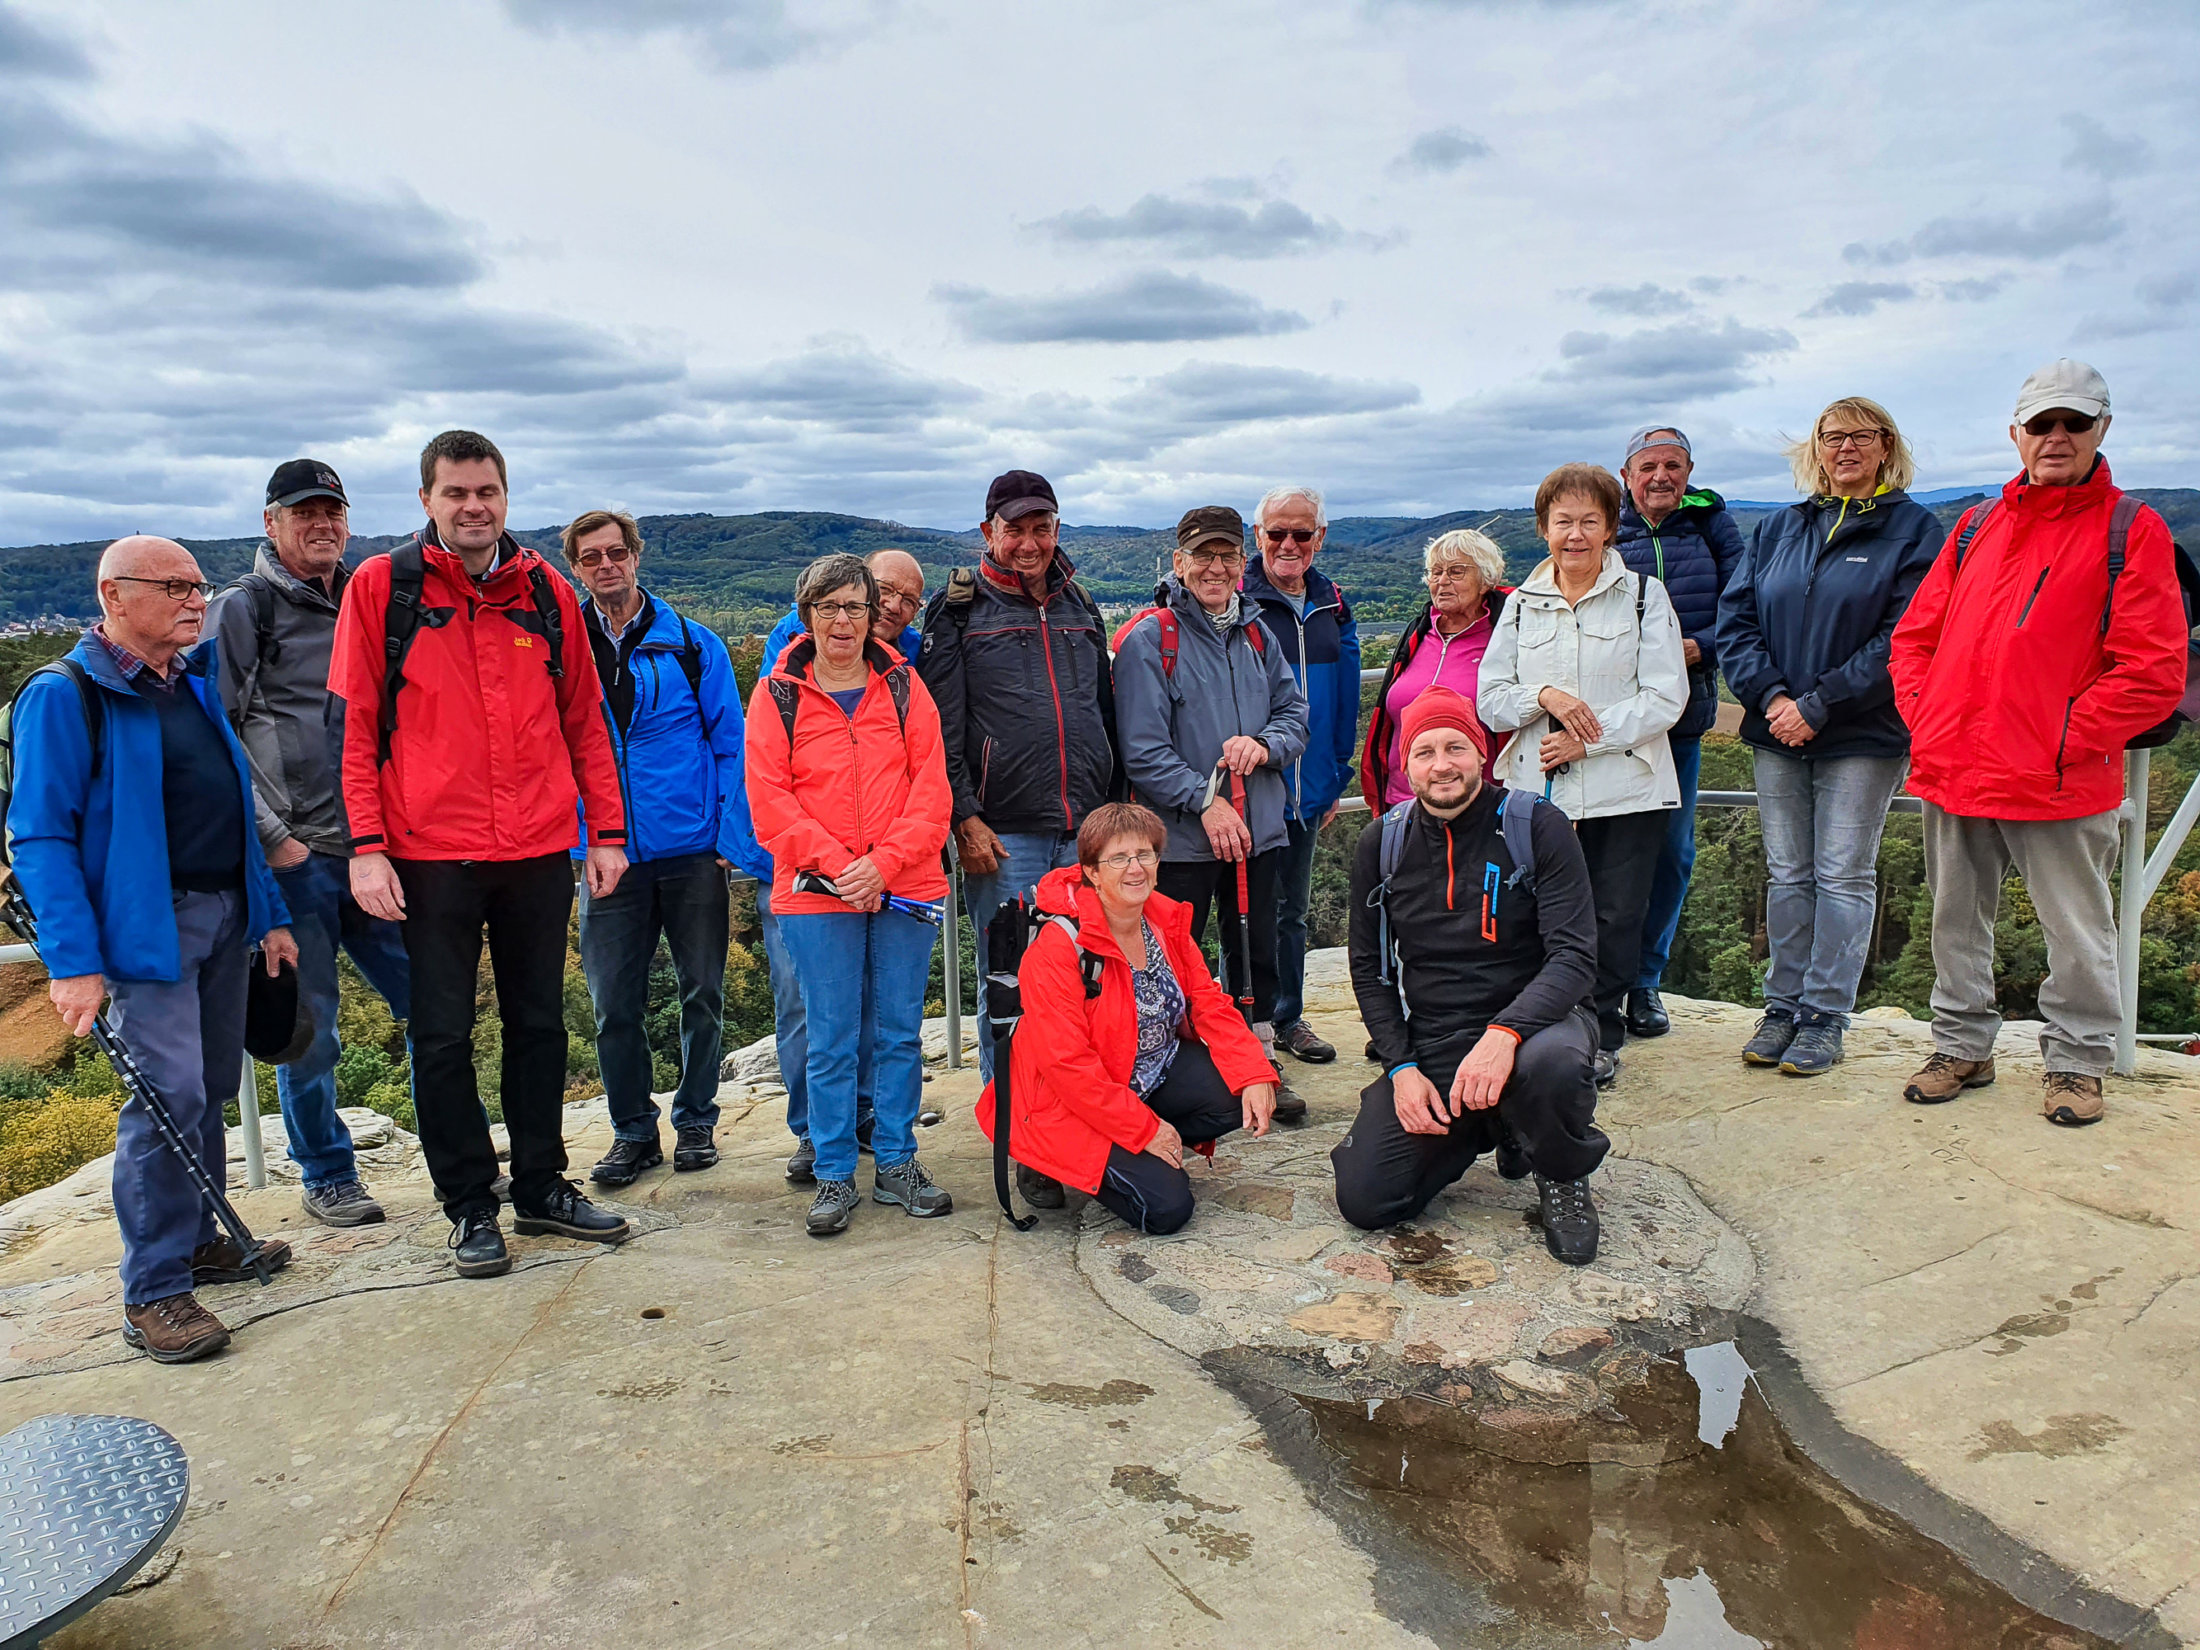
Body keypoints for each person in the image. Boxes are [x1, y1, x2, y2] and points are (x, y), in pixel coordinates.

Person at [330, 430, 632, 1280]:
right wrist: (365, 848)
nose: (473, 507)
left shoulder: (545, 591)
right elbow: (352, 728)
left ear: (506, 496)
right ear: (427, 500)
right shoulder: (382, 589)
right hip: (429, 852)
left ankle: (541, 1187)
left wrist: (604, 833)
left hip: (537, 844)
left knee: (540, 1024)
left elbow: (584, 722)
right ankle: (469, 1206)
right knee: (441, 1035)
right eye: (456, 493)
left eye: (487, 491)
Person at [12, 537, 299, 1362]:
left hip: (223, 916)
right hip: (147, 930)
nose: (193, 599)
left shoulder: (190, 686)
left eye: (197, 584)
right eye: (172, 586)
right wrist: (71, 961)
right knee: (167, 1096)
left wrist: (270, 914)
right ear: (113, 593)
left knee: (207, 1086)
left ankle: (198, 1240)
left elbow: (235, 813)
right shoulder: (67, 694)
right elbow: (39, 835)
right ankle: (155, 1293)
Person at [1890, 360, 2186, 1127]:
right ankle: (1962, 1046)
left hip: (2059, 776)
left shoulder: (2132, 529)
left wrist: (2060, 737)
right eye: (2042, 424)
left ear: (2101, 431)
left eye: (2074, 423)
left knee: (2077, 929)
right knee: (1954, 919)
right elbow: (1915, 639)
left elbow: (2153, 670)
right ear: (2016, 434)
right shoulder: (1976, 525)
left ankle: (2078, 1063)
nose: (2057, 437)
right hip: (1956, 763)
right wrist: (1931, 717)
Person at [1330, 689, 1606, 1263]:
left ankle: (1559, 1168)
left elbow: (1574, 956)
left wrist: (1505, 1035)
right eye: (1424, 751)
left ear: (1482, 754)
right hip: (1438, 1035)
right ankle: (1499, 1122)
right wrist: (1402, 1068)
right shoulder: (1383, 843)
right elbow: (1371, 970)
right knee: (1369, 1197)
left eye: (1456, 746)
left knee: (1550, 1067)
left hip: (1538, 1025)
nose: (1442, 764)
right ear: (1406, 766)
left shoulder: (1537, 826)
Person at [208, 460, 409, 1228]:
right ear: (271, 523)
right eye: (304, 513)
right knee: (310, 1029)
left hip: (378, 851)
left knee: (433, 1003)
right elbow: (213, 733)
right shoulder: (244, 611)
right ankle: (326, 1173)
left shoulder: (368, 598)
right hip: (298, 859)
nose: (322, 525)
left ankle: (454, 1152)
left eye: (333, 511)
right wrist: (274, 838)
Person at [1717, 399, 1941, 1076]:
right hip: (1777, 727)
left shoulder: (1913, 530)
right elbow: (1737, 621)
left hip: (1863, 731)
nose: (1845, 448)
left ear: (1884, 447)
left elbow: (1904, 636)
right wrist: (1775, 698)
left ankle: (1823, 1016)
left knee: (1841, 874)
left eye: (1859, 437)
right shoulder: (1780, 528)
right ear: (1814, 449)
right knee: (1787, 874)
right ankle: (1781, 1005)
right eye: (1831, 437)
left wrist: (1820, 703)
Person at [747, 553, 954, 1236]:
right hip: (815, 890)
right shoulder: (776, 694)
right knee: (832, 1039)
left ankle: (897, 1162)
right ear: (806, 614)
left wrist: (885, 864)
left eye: (856, 607)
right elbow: (769, 802)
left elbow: (932, 790)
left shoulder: (904, 687)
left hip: (905, 886)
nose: (843, 620)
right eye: (829, 606)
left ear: (873, 617)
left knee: (898, 1034)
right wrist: (842, 866)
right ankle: (835, 1172)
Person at [561, 509, 758, 1187]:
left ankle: (697, 1120)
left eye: (617, 552)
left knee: (702, 991)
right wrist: (576, 840)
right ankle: (632, 1132)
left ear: (637, 556)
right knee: (614, 1002)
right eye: (591, 557)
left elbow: (731, 743)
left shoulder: (691, 645)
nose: (607, 565)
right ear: (576, 568)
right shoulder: (563, 648)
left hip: (691, 848)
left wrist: (729, 838)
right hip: (604, 854)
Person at [1478, 463, 1686, 1088]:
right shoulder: (1519, 606)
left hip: (1627, 788)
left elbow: (1665, 697)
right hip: (1538, 794)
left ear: (1611, 528)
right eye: (1563, 521)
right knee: (1540, 914)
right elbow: (1491, 697)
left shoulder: (1645, 597)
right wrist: (1544, 696)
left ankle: (1600, 1034)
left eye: (1589, 521)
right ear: (1544, 528)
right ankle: (1540, 1027)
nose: (1576, 534)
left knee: (1615, 917)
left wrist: (1584, 739)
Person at [978, 803, 1279, 1233]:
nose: (1135, 868)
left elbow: (1208, 1002)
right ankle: (1051, 1157)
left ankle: (1131, 1148)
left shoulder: (1161, 919)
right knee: (1167, 1210)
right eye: (1118, 858)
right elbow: (1068, 1066)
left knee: (1238, 1094)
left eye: (1145, 854)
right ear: (1091, 872)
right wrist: (1143, 1131)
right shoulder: (1060, 947)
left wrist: (1253, 1072)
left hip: (1146, 1074)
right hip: (1068, 1100)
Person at [917, 471, 1117, 1087]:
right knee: (1009, 977)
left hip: (1084, 824)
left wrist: (1114, 810)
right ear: (988, 532)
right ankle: (1013, 1116)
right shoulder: (958, 609)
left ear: (1057, 529)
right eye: (1015, 530)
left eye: (1041, 528)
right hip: (1003, 833)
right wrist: (965, 819)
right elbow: (941, 728)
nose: (1029, 543)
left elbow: (1102, 708)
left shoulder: (1080, 604)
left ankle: (1073, 1103)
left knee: (1087, 973)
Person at [1115, 506, 1310, 1119]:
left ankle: (1257, 1062)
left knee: (1257, 954)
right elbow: (1142, 751)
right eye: (1202, 555)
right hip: (1183, 840)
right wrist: (1208, 802)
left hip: (1261, 828)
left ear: (1240, 564)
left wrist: (1266, 745)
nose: (1215, 567)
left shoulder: (1258, 633)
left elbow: (1294, 715)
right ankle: (1177, 1068)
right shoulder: (1152, 638)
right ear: (1179, 562)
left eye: (1227, 556)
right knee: (1180, 959)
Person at [1613, 426, 1745, 1039]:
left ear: (1689, 472)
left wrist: (1702, 648)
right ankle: (1592, 981)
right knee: (1604, 851)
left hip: (1682, 718)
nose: (1660, 477)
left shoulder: (1711, 525)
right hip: (1610, 722)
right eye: (1648, 466)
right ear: (1627, 475)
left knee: (1670, 851)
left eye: (1673, 465)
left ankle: (1644, 981)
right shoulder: (1607, 528)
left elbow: (1745, 604)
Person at [1240, 484, 1360, 1067]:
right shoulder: (1236, 600)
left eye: (1302, 533)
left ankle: (1286, 1016)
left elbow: (1341, 702)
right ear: (1256, 535)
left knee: (1293, 910)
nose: (1289, 544)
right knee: (1242, 910)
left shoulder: (1333, 603)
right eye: (1277, 533)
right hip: (1251, 785)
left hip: (1309, 787)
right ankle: (1240, 1024)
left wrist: (1337, 774)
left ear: (1320, 537)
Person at [1360, 529, 1509, 809]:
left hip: (1476, 808)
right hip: (1401, 805)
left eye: (1456, 572)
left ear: (1486, 581)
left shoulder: (1505, 637)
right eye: (1435, 572)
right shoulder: (1417, 635)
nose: (1442, 581)